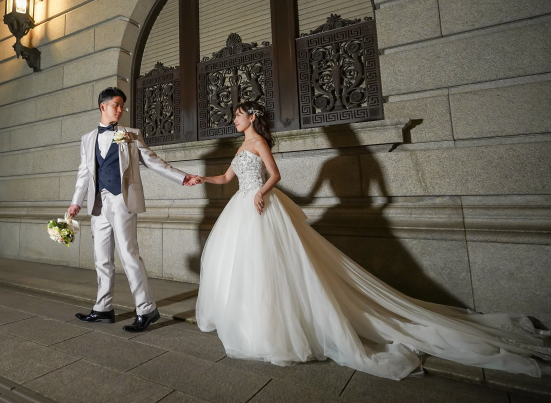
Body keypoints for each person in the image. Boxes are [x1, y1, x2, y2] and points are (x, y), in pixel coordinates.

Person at [194, 101, 550, 380]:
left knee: (270, 268)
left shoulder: (258, 143)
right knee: (245, 269)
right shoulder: (242, 147)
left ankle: (279, 330)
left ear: (252, 117)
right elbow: (227, 176)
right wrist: (202, 180)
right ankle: (250, 324)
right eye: (235, 116)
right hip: (241, 207)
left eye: (239, 116)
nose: (235, 120)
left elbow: (276, 175)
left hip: (259, 207)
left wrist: (262, 193)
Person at [69, 87, 200, 332]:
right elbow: (84, 173)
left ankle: (147, 309)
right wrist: (76, 201)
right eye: (117, 105)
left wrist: (182, 177)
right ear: (103, 106)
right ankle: (103, 308)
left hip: (122, 200)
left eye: (122, 106)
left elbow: (153, 161)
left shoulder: (130, 135)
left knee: (129, 255)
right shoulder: (87, 138)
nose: (121, 110)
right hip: (98, 203)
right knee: (101, 259)